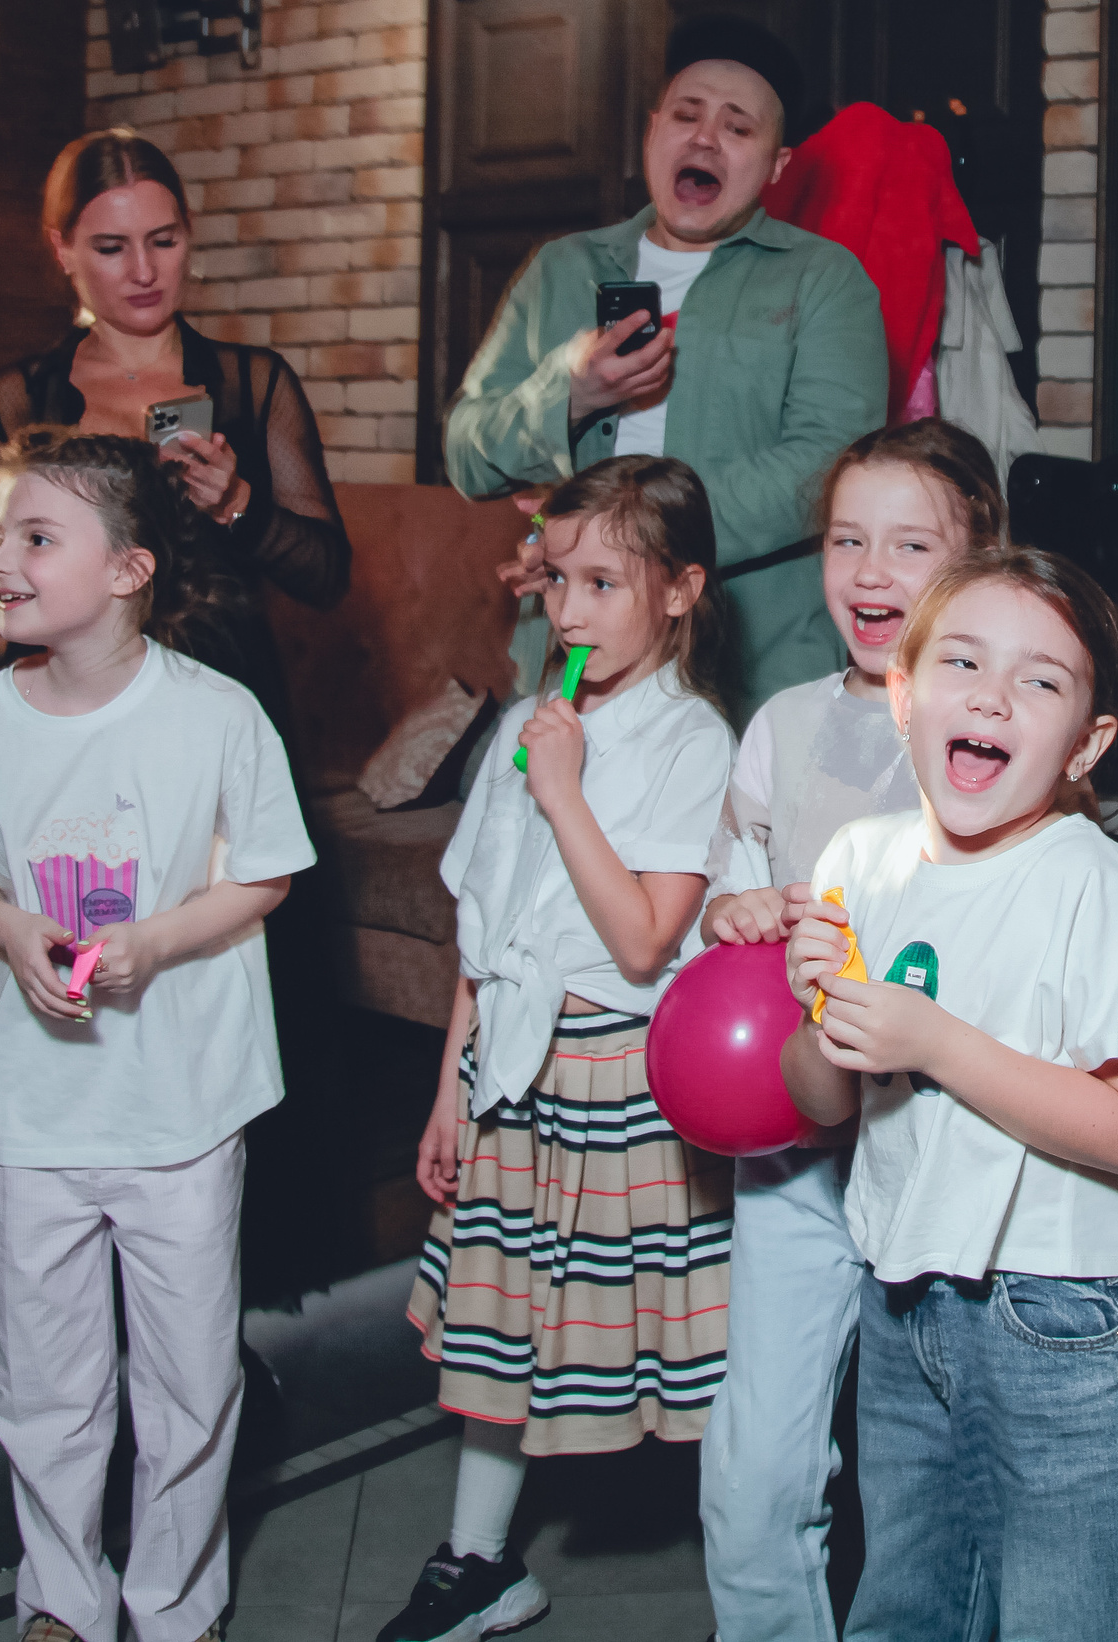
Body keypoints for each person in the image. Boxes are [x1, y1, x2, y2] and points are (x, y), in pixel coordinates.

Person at [0, 429, 313, 1642]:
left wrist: (156, 943)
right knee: (44, 1383)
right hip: (34, 1111)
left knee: (189, 1383)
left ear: (130, 567)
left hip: (179, 1107)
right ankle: (64, 1597)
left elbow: (266, 878)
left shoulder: (217, 716)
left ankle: (176, 1600)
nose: (2, 562)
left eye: (37, 537)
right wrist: (6, 927)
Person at [783, 549, 1118, 1642]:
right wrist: (822, 1005)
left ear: (1084, 744)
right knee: (908, 1599)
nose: (994, 695)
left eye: (1042, 680)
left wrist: (939, 1042)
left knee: (1079, 1610)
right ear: (906, 695)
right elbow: (821, 1097)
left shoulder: (1097, 887)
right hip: (905, 1293)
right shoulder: (856, 863)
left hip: (1058, 1312)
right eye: (962, 661)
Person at [382, 455, 739, 1642]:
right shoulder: (541, 723)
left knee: (668, 1347)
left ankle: (785, 1545)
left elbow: (642, 940)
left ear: (682, 590)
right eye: (554, 581)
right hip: (512, 1076)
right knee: (499, 1325)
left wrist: (565, 789)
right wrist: (452, 1089)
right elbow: (484, 933)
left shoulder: (693, 741)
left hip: (617, 1081)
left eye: (603, 582)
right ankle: (477, 1561)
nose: (569, 611)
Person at [694, 418, 1005, 1641]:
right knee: (756, 1468)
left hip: (948, 1155)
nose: (869, 573)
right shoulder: (777, 723)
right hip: (791, 1153)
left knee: (934, 1480)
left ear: (976, 556)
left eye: (909, 543)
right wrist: (741, 908)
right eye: (845, 540)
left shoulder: (1004, 728)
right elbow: (722, 899)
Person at [442, 13, 886, 723]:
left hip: (752, 674)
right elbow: (466, 454)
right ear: (653, 133)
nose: (705, 137)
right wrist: (572, 393)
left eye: (738, 128)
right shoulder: (561, 269)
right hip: (572, 667)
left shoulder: (826, 282)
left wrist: (612, 540)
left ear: (776, 165)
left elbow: (827, 466)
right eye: (687, 115)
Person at [0, 128, 350, 733]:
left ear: (188, 234)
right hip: (74, 711)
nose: (144, 271)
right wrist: (41, 555)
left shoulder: (253, 383)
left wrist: (238, 505)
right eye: (111, 248)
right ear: (63, 250)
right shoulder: (21, 398)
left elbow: (327, 577)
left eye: (164, 241)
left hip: (224, 703)